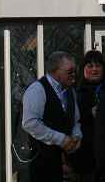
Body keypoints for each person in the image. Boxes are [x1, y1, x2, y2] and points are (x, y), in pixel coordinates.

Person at [22, 51, 82, 182]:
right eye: (70, 71)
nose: (74, 75)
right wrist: (61, 139)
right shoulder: (37, 89)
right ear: (55, 71)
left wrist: (76, 136)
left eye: (75, 71)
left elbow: (76, 120)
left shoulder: (70, 91)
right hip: (42, 165)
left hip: (66, 165)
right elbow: (30, 123)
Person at [71, 50, 105, 182]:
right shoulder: (74, 92)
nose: (94, 69)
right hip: (83, 156)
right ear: (83, 69)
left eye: (98, 66)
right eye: (90, 66)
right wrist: (89, 113)